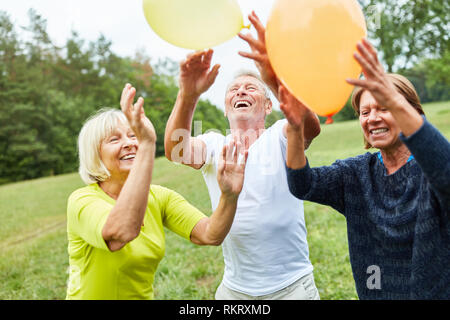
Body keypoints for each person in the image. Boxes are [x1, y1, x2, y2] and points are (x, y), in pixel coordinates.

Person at [164, 12, 321, 300]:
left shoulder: (279, 136)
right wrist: (187, 95)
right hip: (236, 292)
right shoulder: (214, 145)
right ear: (226, 108)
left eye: (251, 88)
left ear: (268, 105)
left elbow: (309, 126)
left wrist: (270, 75)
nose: (241, 91)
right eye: (234, 89)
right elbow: (176, 150)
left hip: (293, 286)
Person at [281, 38, 450, 299]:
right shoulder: (356, 174)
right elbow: (302, 184)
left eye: (384, 107)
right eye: (364, 111)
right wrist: (294, 128)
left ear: (409, 111)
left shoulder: (432, 170)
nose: (372, 118)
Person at [66, 83, 248, 300]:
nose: (129, 144)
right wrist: (146, 144)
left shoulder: (160, 197)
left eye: (133, 135)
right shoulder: (82, 201)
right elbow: (120, 233)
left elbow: (210, 234)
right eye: (114, 139)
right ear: (94, 154)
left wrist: (229, 196)